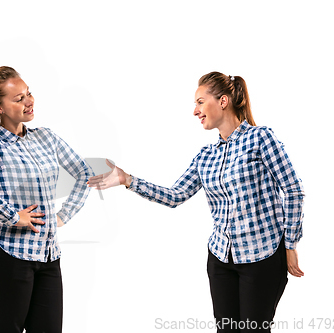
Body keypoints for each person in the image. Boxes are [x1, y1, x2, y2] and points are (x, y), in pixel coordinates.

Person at [88, 71, 305, 332]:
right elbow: (175, 195)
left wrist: (290, 244)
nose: (195, 111)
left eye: (200, 102)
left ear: (223, 101)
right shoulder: (206, 156)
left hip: (262, 258)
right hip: (221, 259)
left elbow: (293, 190)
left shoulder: (260, 139)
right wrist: (128, 180)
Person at [0, 66, 93, 333]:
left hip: (47, 256)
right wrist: (13, 216)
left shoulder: (45, 138)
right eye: (18, 99)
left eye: (28, 94)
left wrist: (62, 216)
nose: (29, 101)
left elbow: (85, 174)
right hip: (7, 254)